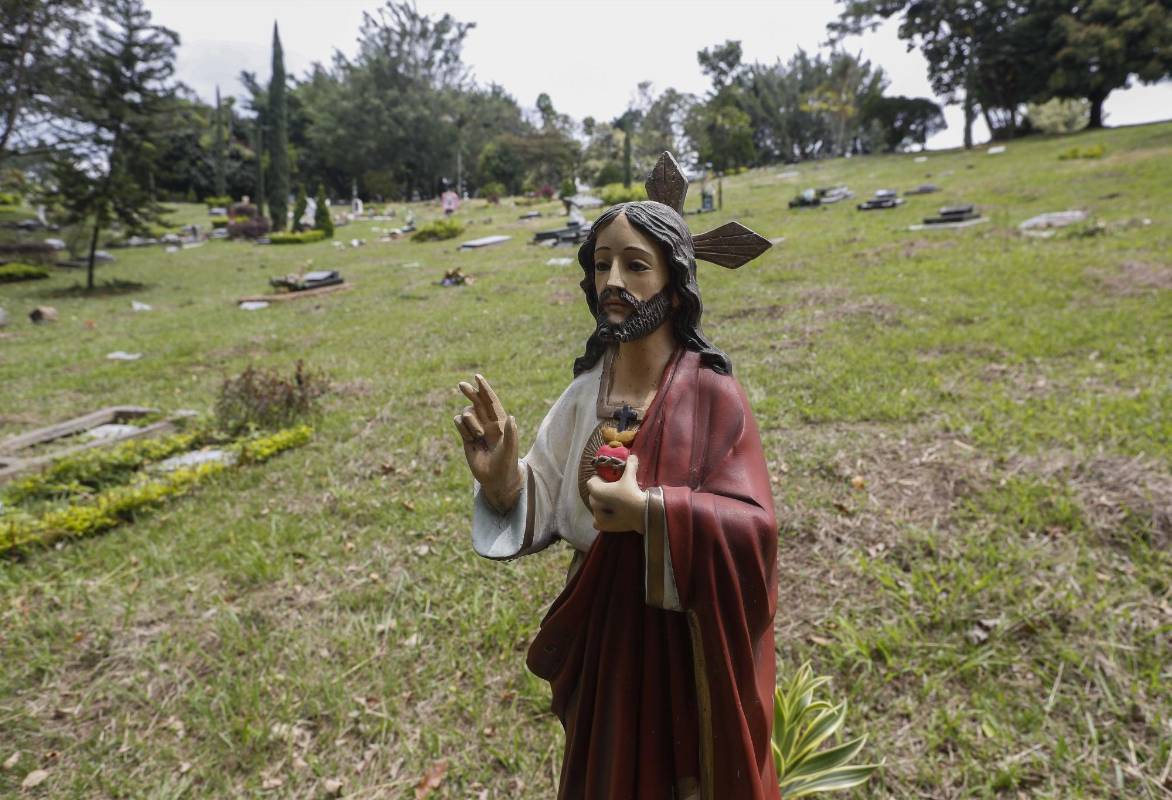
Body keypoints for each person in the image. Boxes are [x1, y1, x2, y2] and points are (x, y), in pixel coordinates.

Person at [453, 153, 778, 800]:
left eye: (635, 265)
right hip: (604, 644)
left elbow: (756, 528)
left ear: (676, 284)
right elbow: (542, 494)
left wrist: (652, 512)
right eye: (602, 263)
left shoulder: (714, 397)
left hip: (679, 649)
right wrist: (502, 485)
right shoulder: (583, 394)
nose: (613, 280)